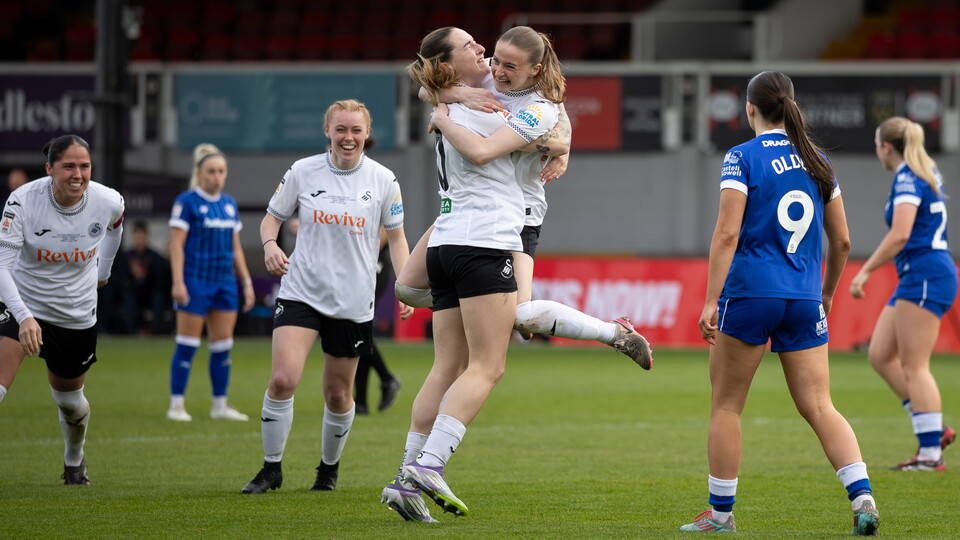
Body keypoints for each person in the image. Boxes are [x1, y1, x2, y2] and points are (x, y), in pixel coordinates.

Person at [684, 71, 879, 535]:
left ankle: (720, 516)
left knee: (727, 407)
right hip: (804, 297)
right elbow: (844, 241)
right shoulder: (819, 161)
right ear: (790, 105)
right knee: (820, 406)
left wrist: (711, 299)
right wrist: (826, 293)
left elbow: (728, 232)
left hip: (750, 294)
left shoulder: (741, 156)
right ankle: (863, 498)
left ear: (749, 109)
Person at [394, 27, 652, 369]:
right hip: (470, 208)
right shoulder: (487, 72)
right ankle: (482, 303)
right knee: (407, 290)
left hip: (520, 210)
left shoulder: (540, 104)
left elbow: (559, 136)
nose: (497, 70)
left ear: (535, 70)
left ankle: (614, 333)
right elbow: (427, 88)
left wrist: (548, 146)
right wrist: (461, 95)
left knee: (520, 316)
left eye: (510, 67)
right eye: (496, 60)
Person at [241, 99, 412, 494]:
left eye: (355, 130)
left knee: (338, 394)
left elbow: (399, 239)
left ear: (367, 133)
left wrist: (405, 287)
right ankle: (271, 469)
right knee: (283, 380)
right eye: (341, 130)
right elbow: (272, 218)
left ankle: (328, 470)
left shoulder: (384, 180)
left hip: (353, 300)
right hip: (301, 290)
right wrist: (269, 244)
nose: (348, 137)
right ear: (328, 132)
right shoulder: (303, 171)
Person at [0, 134, 124, 485]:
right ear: (49, 168)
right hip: (20, 303)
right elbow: (1, 266)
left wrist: (104, 272)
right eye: (68, 166)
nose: (78, 174)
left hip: (75, 313)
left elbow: (116, 227)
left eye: (84, 166)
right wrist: (23, 316)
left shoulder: (107, 201)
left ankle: (74, 459)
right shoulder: (22, 201)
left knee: (70, 402)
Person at [849, 116, 958, 471]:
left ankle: (930, 454)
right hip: (919, 275)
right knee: (880, 355)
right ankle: (934, 429)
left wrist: (864, 270)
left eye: (877, 145)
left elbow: (900, 234)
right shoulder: (922, 169)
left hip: (926, 274)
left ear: (886, 147)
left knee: (915, 366)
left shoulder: (908, 177)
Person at [166, 143, 254, 422]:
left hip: (225, 283)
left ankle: (220, 405)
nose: (217, 176)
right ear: (199, 173)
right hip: (195, 281)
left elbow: (236, 248)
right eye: (211, 171)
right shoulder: (187, 202)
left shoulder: (229, 204)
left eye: (221, 171)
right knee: (187, 344)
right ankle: (176, 405)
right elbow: (176, 246)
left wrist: (247, 282)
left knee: (222, 346)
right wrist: (178, 282)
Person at [354, 227, 402, 415]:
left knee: (358, 327)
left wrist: (364, 254)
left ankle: (386, 378)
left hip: (373, 264)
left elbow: (385, 229)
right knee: (359, 330)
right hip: (361, 263)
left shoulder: (378, 196)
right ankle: (361, 401)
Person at [121, 220, 170, 335]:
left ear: (146, 237)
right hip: (133, 292)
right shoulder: (126, 256)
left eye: (141, 237)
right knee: (127, 297)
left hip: (150, 292)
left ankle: (156, 332)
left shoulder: (155, 257)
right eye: (137, 237)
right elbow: (121, 279)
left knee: (158, 297)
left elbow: (160, 281)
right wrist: (132, 275)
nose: (139, 241)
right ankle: (130, 333)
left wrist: (145, 274)